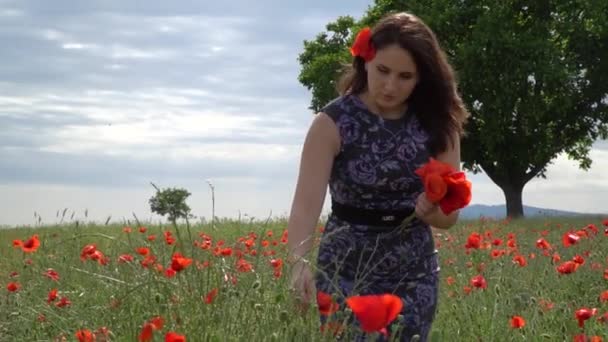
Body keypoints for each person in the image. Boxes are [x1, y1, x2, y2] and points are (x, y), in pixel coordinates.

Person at [286, 11, 469, 341]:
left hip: (414, 271)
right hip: (345, 269)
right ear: (365, 61)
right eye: (383, 70)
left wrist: (433, 212)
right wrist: (298, 263)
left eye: (405, 76)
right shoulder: (331, 123)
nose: (390, 85)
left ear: (421, 78)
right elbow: (305, 204)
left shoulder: (439, 125)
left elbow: (449, 216)